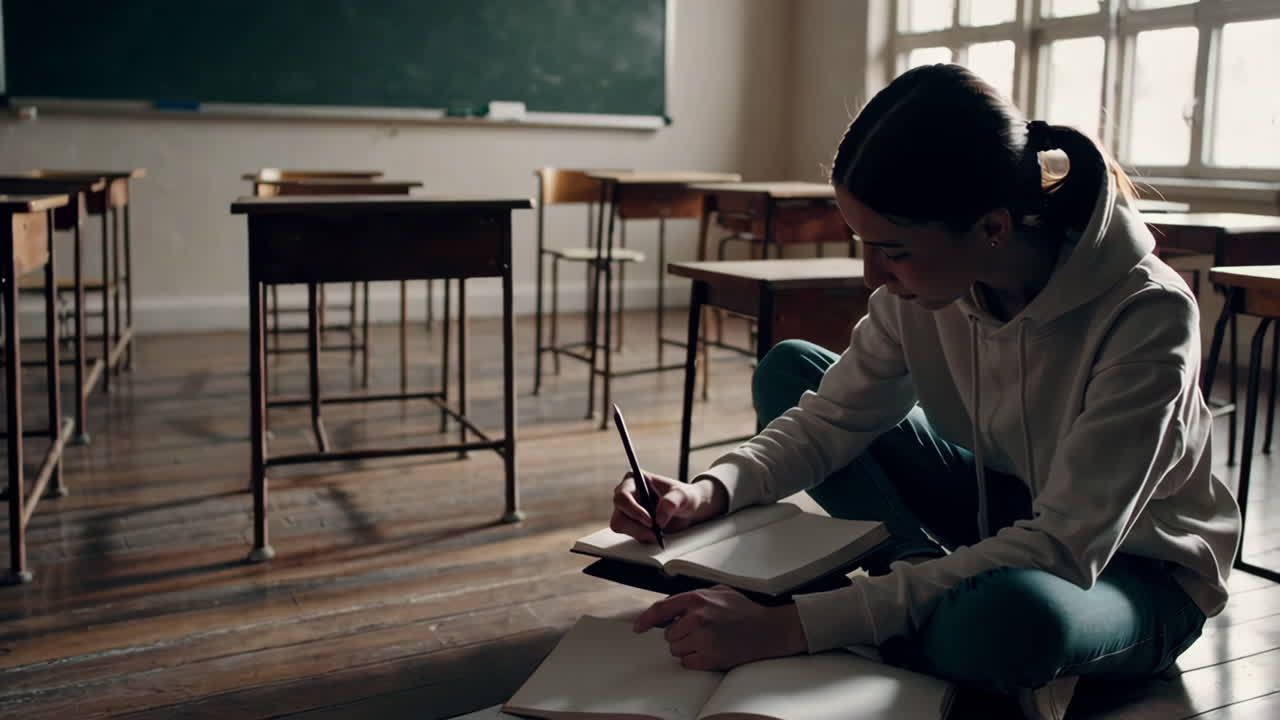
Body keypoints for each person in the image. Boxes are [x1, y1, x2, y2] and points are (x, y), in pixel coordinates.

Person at [609, 64, 1241, 720]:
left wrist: (791, 626)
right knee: (791, 369)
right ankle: (912, 591)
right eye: (863, 245)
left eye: (893, 251)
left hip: (1137, 570)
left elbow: (1064, 544)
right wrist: (708, 491)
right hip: (1003, 508)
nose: (871, 276)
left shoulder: (1148, 312)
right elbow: (832, 417)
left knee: (1002, 623)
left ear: (993, 228)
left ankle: (919, 608)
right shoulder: (922, 289)